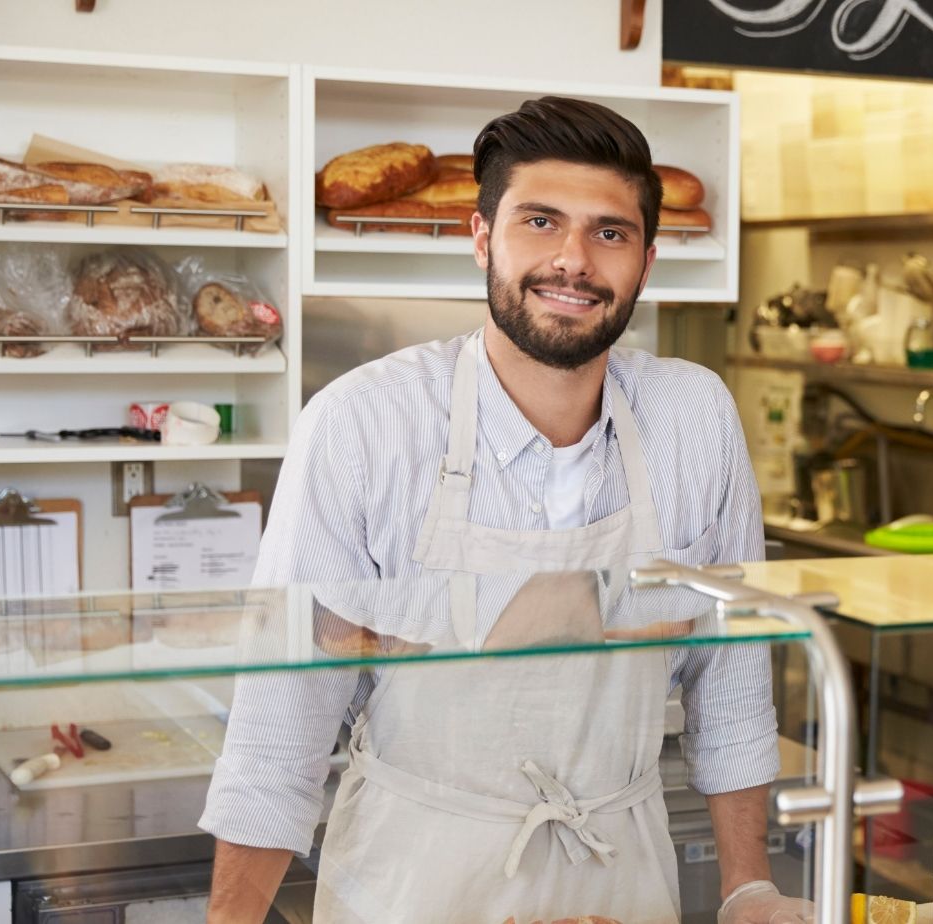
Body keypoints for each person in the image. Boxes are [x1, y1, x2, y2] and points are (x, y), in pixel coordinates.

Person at [200, 97, 812, 923]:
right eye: (540, 221)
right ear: (481, 237)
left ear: (647, 259)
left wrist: (748, 887)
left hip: (620, 875)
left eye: (609, 232)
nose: (574, 260)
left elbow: (732, 676)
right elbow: (281, 725)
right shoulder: (362, 424)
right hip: (414, 876)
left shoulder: (694, 418)